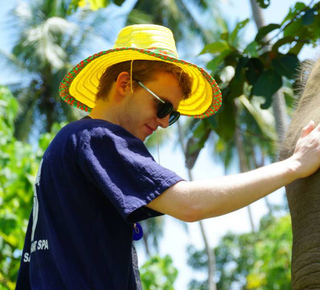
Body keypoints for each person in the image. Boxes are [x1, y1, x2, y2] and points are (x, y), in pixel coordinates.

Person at [16, 24, 320, 289]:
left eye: (172, 116)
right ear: (124, 84)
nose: (163, 122)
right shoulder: (98, 139)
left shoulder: (65, 144)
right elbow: (190, 204)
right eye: (162, 107)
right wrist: (293, 165)